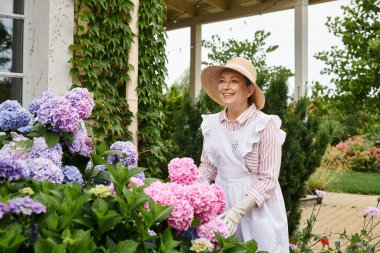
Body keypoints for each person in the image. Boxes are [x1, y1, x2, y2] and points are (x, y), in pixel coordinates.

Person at [198, 57, 289, 253]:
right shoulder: (211, 124)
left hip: (256, 209)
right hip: (222, 204)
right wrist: (198, 193)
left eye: (234, 81)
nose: (225, 86)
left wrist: (237, 212)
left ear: (249, 90)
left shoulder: (265, 125)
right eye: (222, 80)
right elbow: (208, 166)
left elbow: (268, 179)